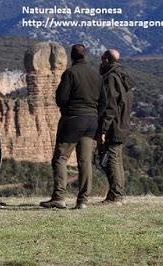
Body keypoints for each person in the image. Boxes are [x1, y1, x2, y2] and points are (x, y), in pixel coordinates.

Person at [40, 44, 105, 209]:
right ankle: (83, 200)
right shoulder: (96, 75)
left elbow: (61, 98)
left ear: (72, 57)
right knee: (85, 161)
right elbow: (104, 102)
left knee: (60, 158)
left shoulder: (70, 73)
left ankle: (59, 197)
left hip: (74, 119)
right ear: (86, 56)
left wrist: (67, 109)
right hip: (92, 121)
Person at [99, 49, 134, 205]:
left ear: (107, 60)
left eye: (102, 59)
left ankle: (116, 196)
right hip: (123, 124)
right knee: (117, 160)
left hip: (114, 126)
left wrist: (103, 129)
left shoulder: (111, 78)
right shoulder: (122, 75)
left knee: (112, 159)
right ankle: (117, 194)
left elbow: (110, 106)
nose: (100, 62)